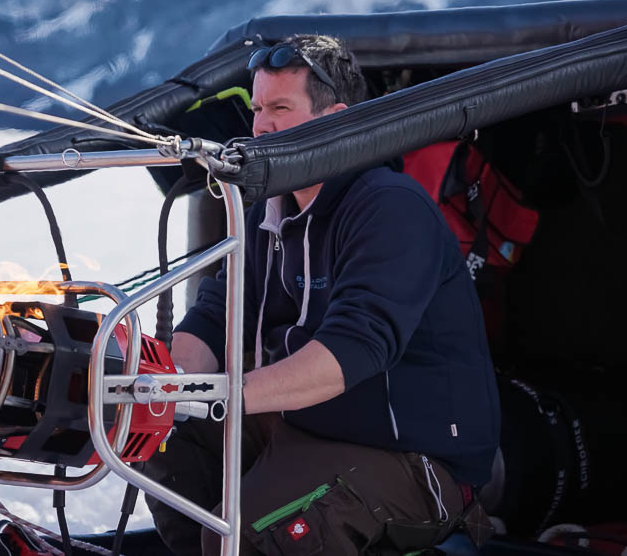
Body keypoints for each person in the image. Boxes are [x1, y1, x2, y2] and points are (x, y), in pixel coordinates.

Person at [147, 34, 500, 556]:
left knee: (248, 532)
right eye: (258, 108)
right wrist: (162, 389)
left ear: (335, 118)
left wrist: (224, 396)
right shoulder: (268, 214)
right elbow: (215, 318)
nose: (262, 125)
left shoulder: (388, 208)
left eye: (281, 108)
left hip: (413, 459)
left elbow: (352, 350)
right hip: (307, 429)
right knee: (171, 462)